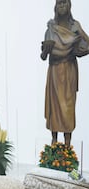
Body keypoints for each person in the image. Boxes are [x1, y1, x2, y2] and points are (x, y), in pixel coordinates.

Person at [40, 0, 89, 147]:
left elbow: (86, 45)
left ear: (69, 6)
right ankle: (54, 142)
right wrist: (46, 50)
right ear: (56, 7)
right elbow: (43, 56)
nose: (62, 6)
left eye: (64, 3)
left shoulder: (75, 26)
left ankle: (67, 144)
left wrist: (77, 45)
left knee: (68, 105)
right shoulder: (51, 27)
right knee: (54, 106)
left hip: (69, 70)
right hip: (54, 70)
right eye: (59, 3)